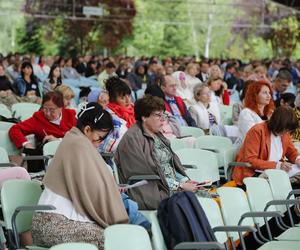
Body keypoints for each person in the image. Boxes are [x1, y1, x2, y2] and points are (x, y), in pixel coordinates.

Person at [32, 102, 129, 249]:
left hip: (55, 221)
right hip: (54, 224)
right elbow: (94, 187)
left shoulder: (75, 140)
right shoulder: (78, 145)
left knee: (116, 236)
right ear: (88, 129)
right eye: (100, 138)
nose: (100, 143)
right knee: (113, 238)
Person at [115, 95, 202, 210]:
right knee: (196, 204)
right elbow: (146, 176)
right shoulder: (132, 139)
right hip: (149, 192)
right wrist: (180, 186)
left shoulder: (157, 135)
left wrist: (185, 180)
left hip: (168, 187)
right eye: (158, 115)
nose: (163, 120)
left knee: (208, 197)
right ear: (144, 117)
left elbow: (169, 165)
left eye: (163, 115)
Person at [232, 106, 300, 187]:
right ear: (277, 124)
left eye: (289, 130)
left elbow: (291, 151)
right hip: (252, 174)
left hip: (274, 171)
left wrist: (297, 159)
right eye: (286, 129)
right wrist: (277, 165)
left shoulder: (284, 133)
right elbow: (250, 160)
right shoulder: (257, 131)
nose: (287, 132)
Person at [9, 91, 76, 149]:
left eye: (52, 110)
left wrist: (58, 140)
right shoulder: (38, 119)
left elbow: (81, 136)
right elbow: (15, 129)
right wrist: (26, 144)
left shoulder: (70, 115)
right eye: (45, 108)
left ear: (61, 108)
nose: (47, 113)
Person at [87, 89, 127, 153]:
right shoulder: (92, 116)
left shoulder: (108, 111)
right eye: (104, 101)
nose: (107, 103)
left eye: (108, 100)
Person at [235, 80, 274, 146]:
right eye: (265, 93)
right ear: (255, 95)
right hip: (247, 150)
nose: (269, 96)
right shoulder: (246, 113)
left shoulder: (270, 114)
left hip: (265, 149)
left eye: (269, 93)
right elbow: (253, 135)